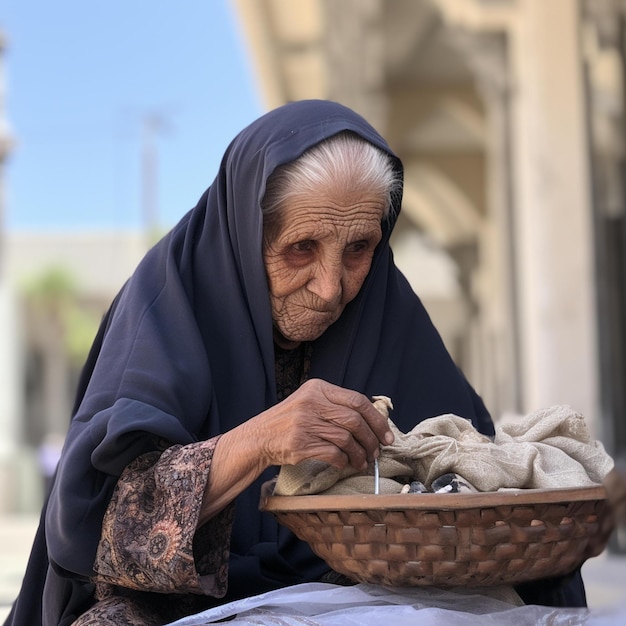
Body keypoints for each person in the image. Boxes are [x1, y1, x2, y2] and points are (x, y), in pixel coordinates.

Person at [4, 100, 588, 626]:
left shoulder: (387, 309)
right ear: (244, 234)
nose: (332, 288)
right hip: (171, 604)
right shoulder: (170, 301)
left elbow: (479, 482)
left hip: (359, 594)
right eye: (301, 249)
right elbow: (91, 532)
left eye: (358, 249)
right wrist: (261, 440)